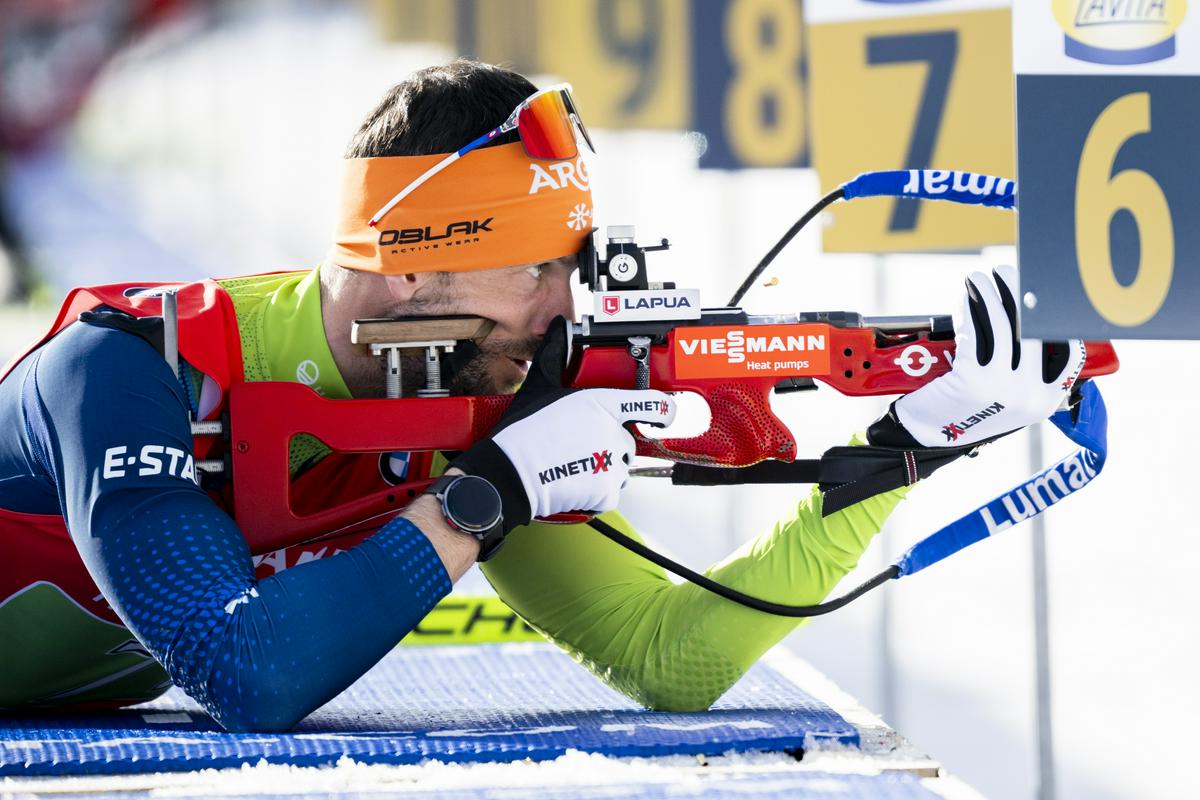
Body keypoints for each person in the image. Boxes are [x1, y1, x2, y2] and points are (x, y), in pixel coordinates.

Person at [0, 60, 1084, 731]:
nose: (566, 309)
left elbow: (672, 657)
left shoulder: (467, 398)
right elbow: (246, 669)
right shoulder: (133, 365)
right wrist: (487, 497)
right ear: (413, 264)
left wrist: (900, 451)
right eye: (538, 269)